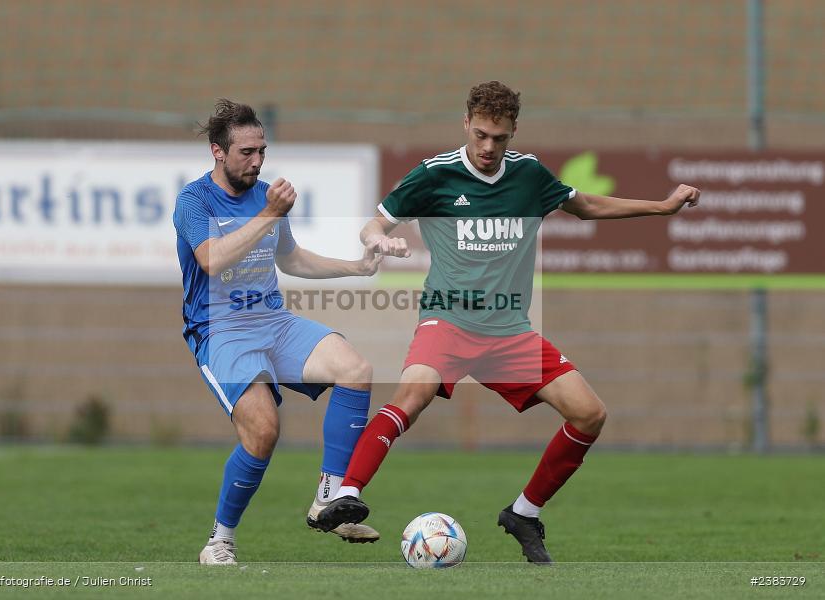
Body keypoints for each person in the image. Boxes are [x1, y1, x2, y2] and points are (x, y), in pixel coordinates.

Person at [312, 81, 701, 564]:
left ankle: (524, 513)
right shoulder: (434, 175)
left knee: (589, 414)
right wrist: (378, 241)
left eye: (499, 137)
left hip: (508, 331)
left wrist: (661, 207)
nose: (488, 147)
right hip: (447, 321)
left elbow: (586, 206)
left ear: (514, 131)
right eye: (480, 135)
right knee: (412, 394)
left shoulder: (530, 175)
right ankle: (346, 494)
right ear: (466, 125)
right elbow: (375, 222)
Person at [173, 99, 389, 565]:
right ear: (217, 151)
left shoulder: (265, 194)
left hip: (274, 321)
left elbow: (290, 258)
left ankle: (329, 500)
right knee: (263, 432)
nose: (257, 161)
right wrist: (269, 214)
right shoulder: (193, 201)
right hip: (221, 330)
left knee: (356, 368)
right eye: (246, 152)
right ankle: (220, 542)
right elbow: (211, 259)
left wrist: (355, 267)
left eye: (262, 151)